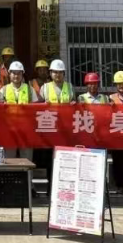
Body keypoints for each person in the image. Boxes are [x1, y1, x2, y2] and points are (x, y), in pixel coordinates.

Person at [38, 59, 74, 194]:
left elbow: (74, 104)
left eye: (60, 72)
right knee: (50, 160)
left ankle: (63, 188)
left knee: (64, 159)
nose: (57, 75)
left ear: (64, 73)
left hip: (65, 130)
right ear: (50, 73)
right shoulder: (45, 87)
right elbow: (38, 107)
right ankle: (51, 187)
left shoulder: (69, 87)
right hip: (50, 130)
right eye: (55, 72)